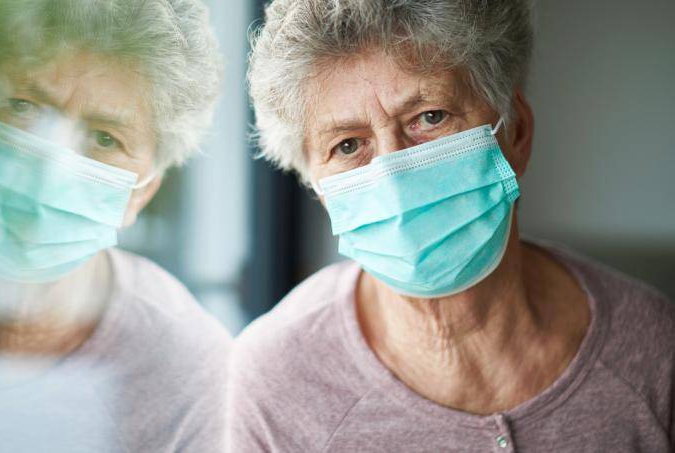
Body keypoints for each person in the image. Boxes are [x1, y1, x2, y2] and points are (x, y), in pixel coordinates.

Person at [230, 1, 675, 451]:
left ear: (516, 132)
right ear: (318, 189)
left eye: (430, 117)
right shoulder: (276, 381)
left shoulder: (652, 349)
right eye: (348, 145)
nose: (394, 175)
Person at [0, 1, 229, 452]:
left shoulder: (189, 371)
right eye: (23, 106)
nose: (50, 169)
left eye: (105, 139)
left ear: (140, 193)